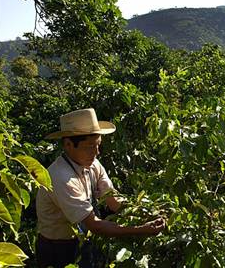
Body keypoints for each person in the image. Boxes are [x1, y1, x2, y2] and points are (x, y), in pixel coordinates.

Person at [36, 108, 165, 268]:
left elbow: (113, 200)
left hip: (84, 242)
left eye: (98, 145)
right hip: (57, 249)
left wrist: (146, 214)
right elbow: (95, 225)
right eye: (90, 147)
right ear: (68, 144)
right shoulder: (60, 177)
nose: (96, 152)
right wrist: (139, 229)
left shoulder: (93, 164)